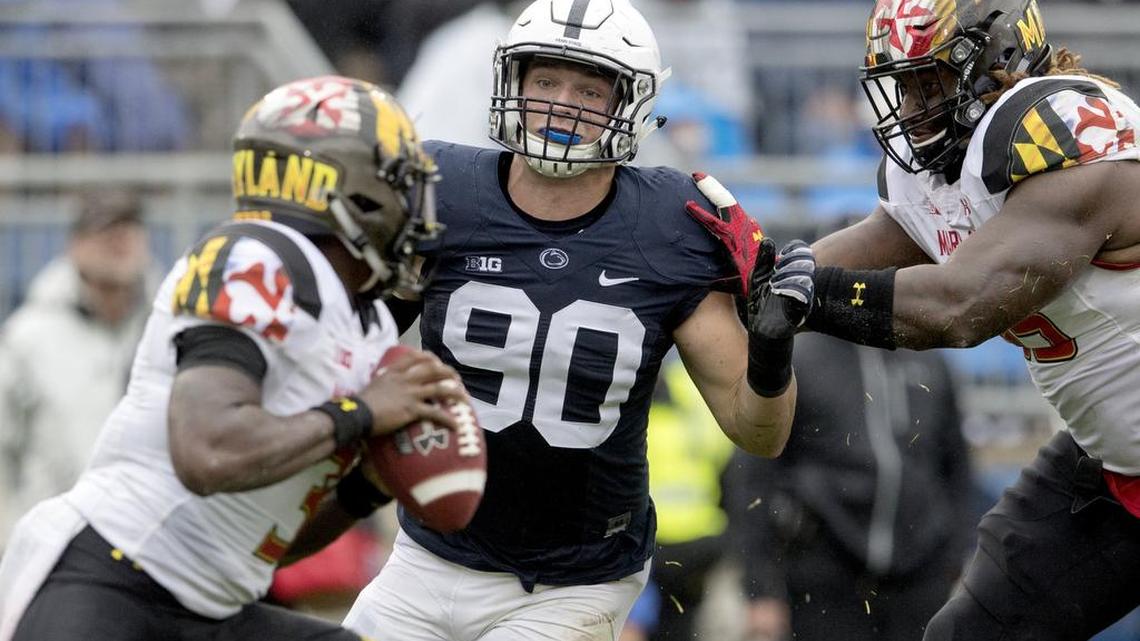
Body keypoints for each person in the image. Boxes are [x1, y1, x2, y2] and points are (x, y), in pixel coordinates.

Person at [340, 1, 812, 639]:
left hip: (575, 583)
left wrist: (771, 354)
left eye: (589, 89)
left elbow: (759, 434)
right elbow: (349, 341)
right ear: (514, 83)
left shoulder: (672, 223)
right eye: (545, 81)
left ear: (632, 103)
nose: (563, 103)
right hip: (428, 555)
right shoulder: (441, 189)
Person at [689, 1, 1140, 639]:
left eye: (928, 82)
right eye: (901, 86)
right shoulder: (960, 165)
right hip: (1108, 461)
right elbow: (847, 253)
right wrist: (731, 275)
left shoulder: (1065, 142)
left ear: (999, 63)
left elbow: (959, 308)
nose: (909, 108)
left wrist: (810, 296)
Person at [0, 75, 465, 641]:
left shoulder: (359, 318)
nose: (414, 204)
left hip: (210, 606)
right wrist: (362, 411)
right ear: (351, 190)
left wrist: (367, 484)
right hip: (112, 582)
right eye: (399, 183)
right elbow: (207, 454)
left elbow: (265, 542)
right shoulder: (252, 257)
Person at [726, 333, 974, 641]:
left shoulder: (930, 360)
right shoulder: (797, 357)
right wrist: (760, 590)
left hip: (919, 579)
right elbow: (751, 479)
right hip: (824, 576)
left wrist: (956, 560)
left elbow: (958, 470)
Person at [0, 190, 153, 546]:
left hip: (149, 550)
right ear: (75, 245)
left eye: (130, 227)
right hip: (54, 549)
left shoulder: (172, 326)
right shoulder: (28, 337)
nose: (121, 240)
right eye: (106, 230)